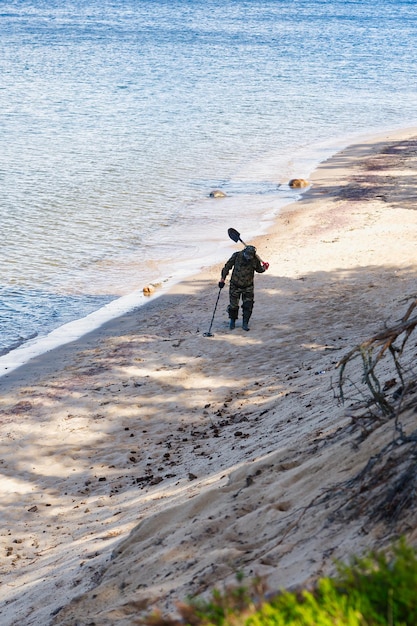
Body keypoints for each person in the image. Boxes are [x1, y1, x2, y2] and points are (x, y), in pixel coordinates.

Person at [218, 245, 269, 331]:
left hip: (248, 286)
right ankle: (232, 321)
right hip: (235, 285)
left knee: (248, 305)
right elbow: (227, 267)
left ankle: (245, 323)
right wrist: (222, 279)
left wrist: (264, 268)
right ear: (244, 252)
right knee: (233, 306)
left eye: (250, 256)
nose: (248, 258)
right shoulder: (237, 256)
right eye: (247, 255)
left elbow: (259, 269)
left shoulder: (255, 259)